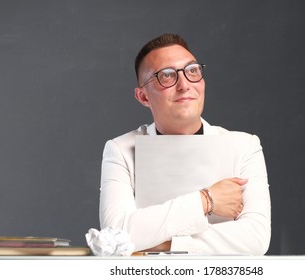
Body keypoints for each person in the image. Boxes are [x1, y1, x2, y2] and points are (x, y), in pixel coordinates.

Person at [99, 33, 271, 254]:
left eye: (192, 71)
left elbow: (255, 239)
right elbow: (117, 234)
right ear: (143, 97)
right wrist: (206, 200)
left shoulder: (244, 146)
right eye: (167, 76)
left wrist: (165, 243)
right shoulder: (120, 150)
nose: (184, 85)